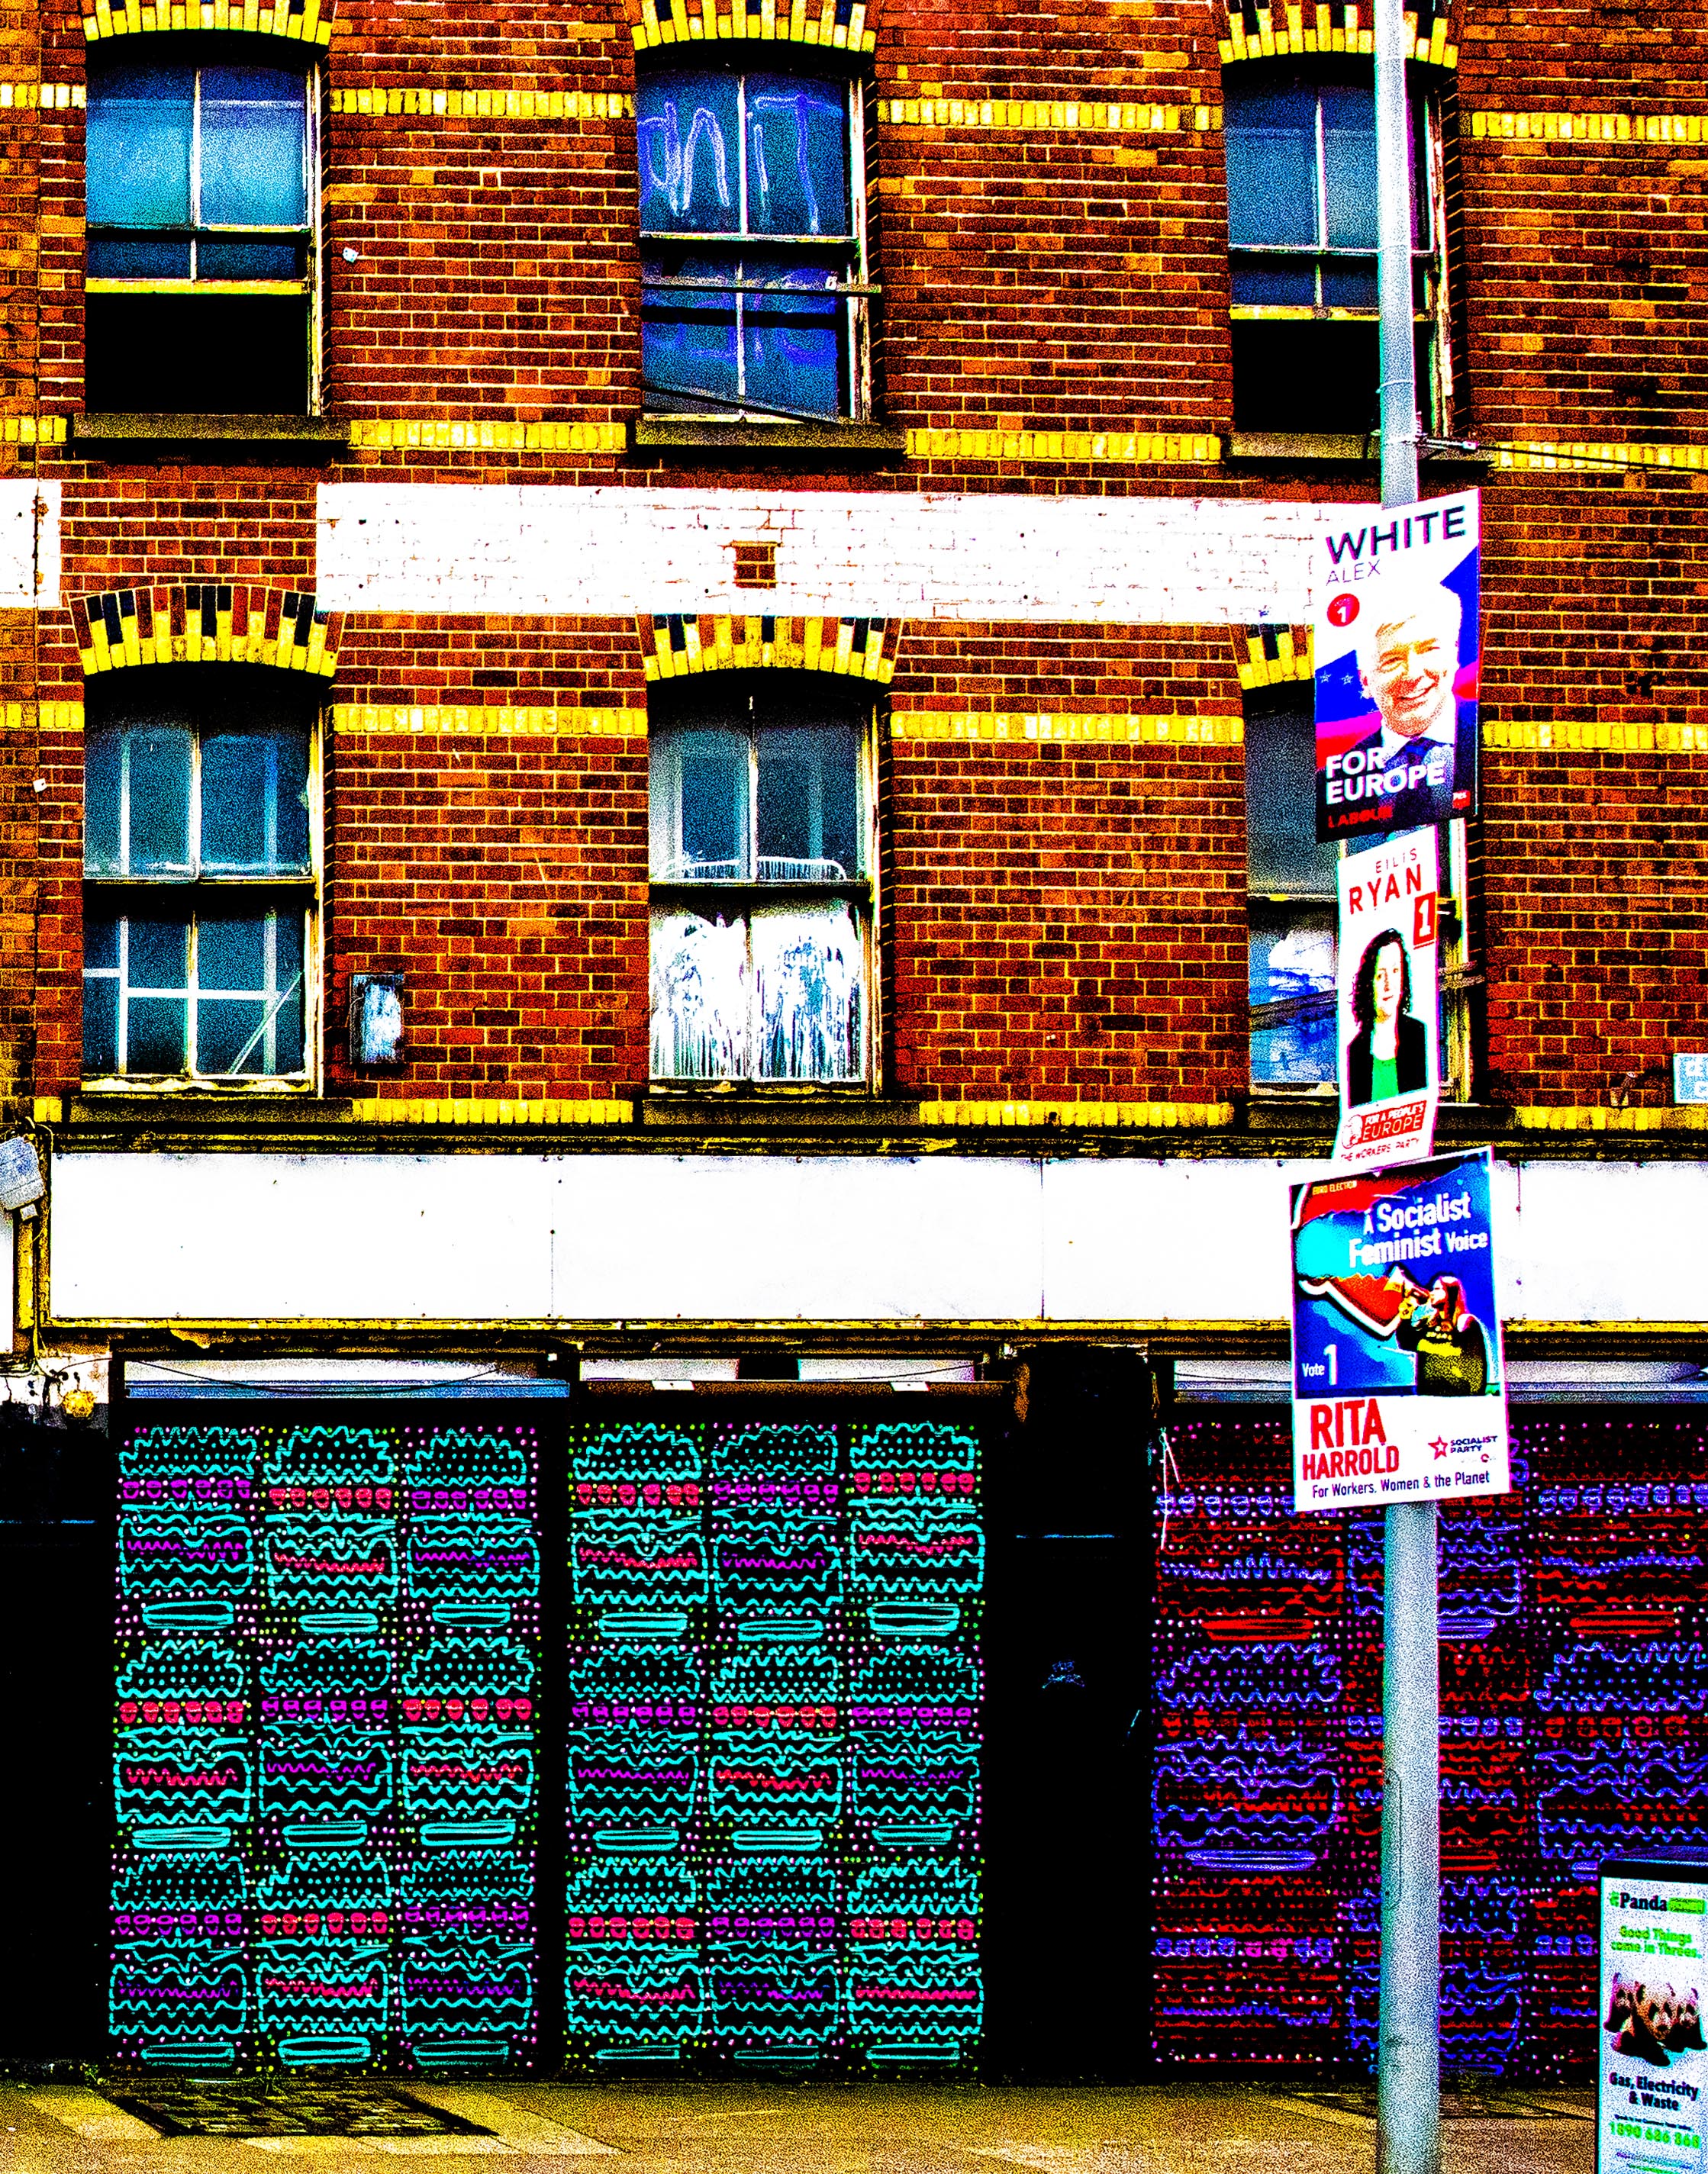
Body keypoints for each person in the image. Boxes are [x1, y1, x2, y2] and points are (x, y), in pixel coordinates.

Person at [1323, 578, 1478, 831]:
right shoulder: (1331, 785)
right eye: (1392, 660)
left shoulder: (1490, 738)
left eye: (1429, 649)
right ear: (1365, 681)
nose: (1412, 673)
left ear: (1454, 655)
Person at [1345, 929, 1427, 1106]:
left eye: (1396, 971)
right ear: (1368, 984)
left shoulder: (1419, 1035)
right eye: (1381, 975)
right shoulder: (1356, 1050)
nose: (1389, 985)